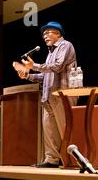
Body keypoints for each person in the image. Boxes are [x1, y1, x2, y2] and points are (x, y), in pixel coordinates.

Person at [15, 21, 77, 168]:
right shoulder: (50, 53)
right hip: (48, 97)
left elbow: (57, 67)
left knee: (66, 129)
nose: (44, 36)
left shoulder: (65, 45)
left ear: (58, 33)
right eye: (43, 34)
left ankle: (74, 160)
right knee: (49, 130)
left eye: (48, 32)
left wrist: (34, 66)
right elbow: (46, 76)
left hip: (62, 95)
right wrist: (28, 75)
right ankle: (51, 160)